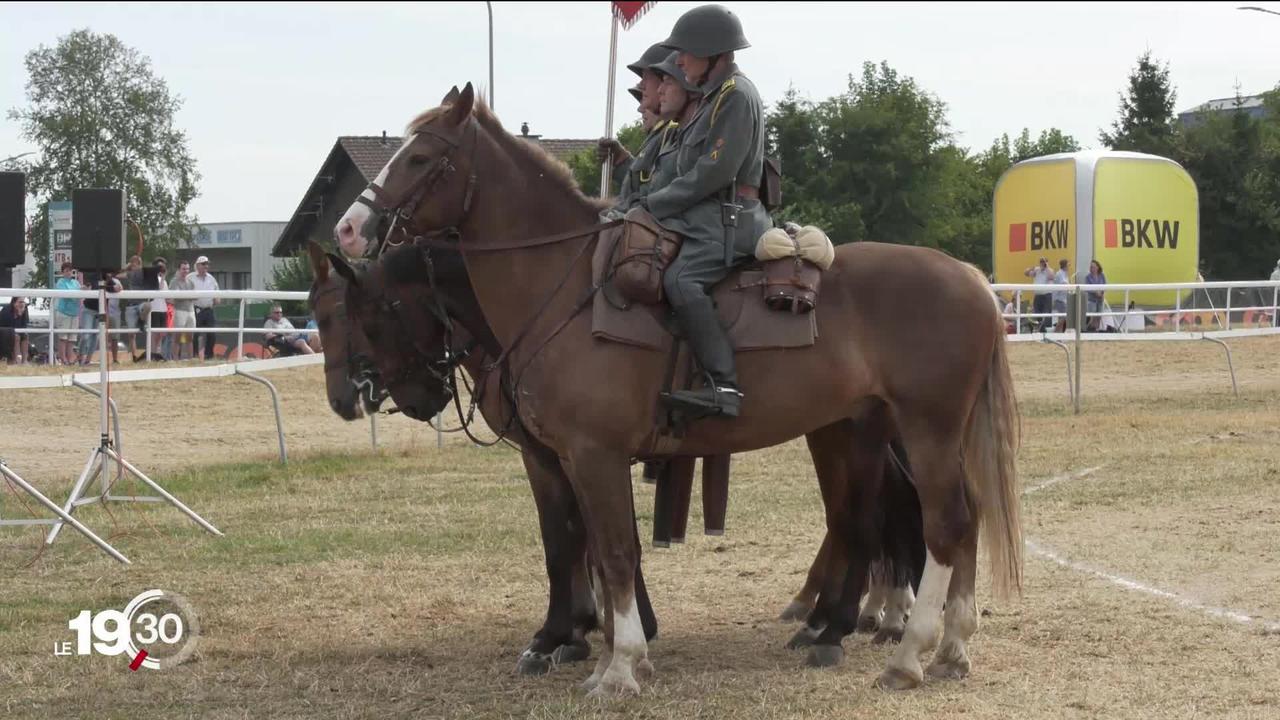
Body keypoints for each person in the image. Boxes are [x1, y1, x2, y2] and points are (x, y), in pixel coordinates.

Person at [636, 4, 771, 418]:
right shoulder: (715, 98)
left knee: (681, 279)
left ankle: (724, 387)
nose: (678, 61)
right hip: (706, 217)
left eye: (686, 53)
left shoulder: (736, 96)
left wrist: (652, 206)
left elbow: (715, 171)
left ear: (713, 54)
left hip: (731, 220)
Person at [598, 42, 670, 209]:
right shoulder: (663, 134)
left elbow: (653, 192)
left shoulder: (675, 133)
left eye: (646, 78)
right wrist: (623, 162)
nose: (642, 85)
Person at [189, 255, 220, 360]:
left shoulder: (211, 278)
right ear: (197, 265)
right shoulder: (190, 277)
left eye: (207, 264)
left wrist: (217, 299)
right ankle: (195, 356)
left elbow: (217, 293)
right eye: (203, 264)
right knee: (195, 334)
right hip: (195, 309)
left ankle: (208, 356)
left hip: (208, 309)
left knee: (212, 334)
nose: (206, 266)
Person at [53, 262, 81, 365]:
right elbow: (66, 295)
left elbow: (80, 294)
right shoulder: (60, 282)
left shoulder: (76, 283)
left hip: (74, 313)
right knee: (63, 338)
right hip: (63, 312)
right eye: (66, 270)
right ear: (62, 272)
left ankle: (70, 359)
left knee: (72, 339)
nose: (68, 272)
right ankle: (63, 359)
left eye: (70, 270)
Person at [169, 261, 197, 360]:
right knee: (177, 336)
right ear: (179, 269)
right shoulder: (174, 281)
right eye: (183, 269)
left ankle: (190, 358)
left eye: (187, 269)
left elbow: (195, 297)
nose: (186, 271)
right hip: (179, 311)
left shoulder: (191, 282)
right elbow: (175, 297)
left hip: (191, 311)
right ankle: (175, 358)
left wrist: (185, 296)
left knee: (190, 337)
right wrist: (188, 296)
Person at [1024, 257, 1053, 331]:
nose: (1042, 263)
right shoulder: (1037, 270)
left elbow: (1051, 276)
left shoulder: (1049, 270)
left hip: (1046, 295)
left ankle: (1044, 329)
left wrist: (1047, 267)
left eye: (1044, 262)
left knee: (1046, 313)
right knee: (1037, 313)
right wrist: (1031, 268)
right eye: (1041, 262)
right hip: (1037, 295)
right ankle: (1042, 329)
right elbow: (1026, 273)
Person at [0, 296, 30, 364]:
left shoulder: (24, 310)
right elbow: (8, 326)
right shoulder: (6, 310)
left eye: (23, 302)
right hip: (4, 333)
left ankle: (24, 360)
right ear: (14, 303)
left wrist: (20, 314)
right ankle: (17, 360)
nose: (22, 304)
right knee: (16, 337)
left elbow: (24, 326)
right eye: (20, 302)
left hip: (15, 332)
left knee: (25, 336)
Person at [1084, 260, 1107, 332]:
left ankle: (1096, 330)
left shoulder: (1102, 275)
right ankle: (1091, 330)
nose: (1091, 268)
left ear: (1097, 267)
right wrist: (1095, 292)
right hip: (1092, 300)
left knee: (1099, 316)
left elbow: (1105, 284)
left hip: (1100, 299)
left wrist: (1102, 293)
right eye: (1091, 267)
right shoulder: (1087, 277)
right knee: (1092, 317)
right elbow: (1087, 288)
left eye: (1093, 267)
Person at [1052, 258, 1070, 333]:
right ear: (1065, 265)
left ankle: (1059, 334)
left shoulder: (1064, 273)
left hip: (1063, 298)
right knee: (1063, 317)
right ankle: (1056, 332)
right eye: (1068, 265)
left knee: (1062, 317)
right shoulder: (1060, 273)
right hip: (1059, 299)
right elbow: (1064, 283)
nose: (1069, 267)